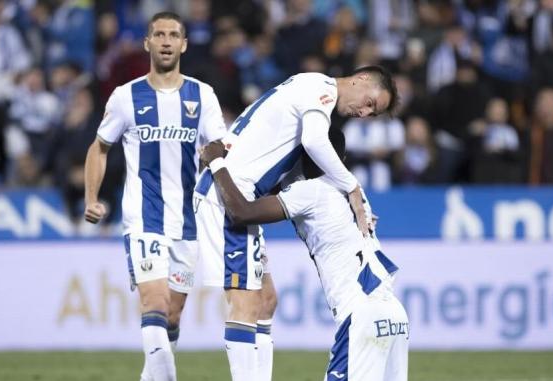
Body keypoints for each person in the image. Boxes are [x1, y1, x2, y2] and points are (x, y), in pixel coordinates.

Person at [193, 65, 397, 381]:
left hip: (238, 190)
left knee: (265, 302)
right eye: (371, 103)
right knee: (245, 304)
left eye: (373, 115)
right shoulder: (322, 89)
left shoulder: (305, 91)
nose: (365, 113)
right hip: (226, 194)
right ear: (361, 79)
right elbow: (315, 141)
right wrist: (353, 186)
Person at [83, 12, 226, 381]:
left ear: (184, 44)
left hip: (188, 221)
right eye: (158, 34)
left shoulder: (202, 95)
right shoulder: (125, 97)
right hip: (143, 219)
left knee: (173, 316)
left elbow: (219, 149)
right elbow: (100, 148)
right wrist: (91, 198)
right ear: (147, 43)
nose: (165, 41)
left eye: (173, 35)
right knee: (155, 303)